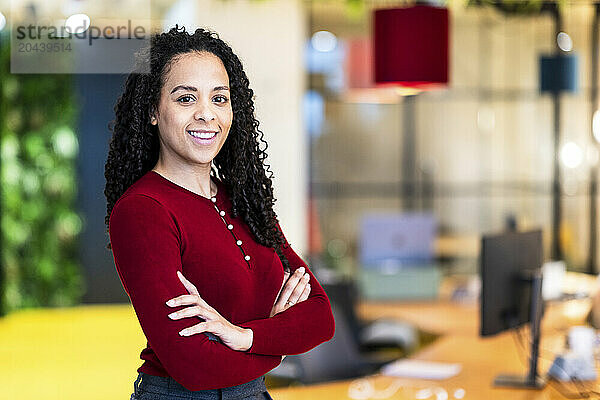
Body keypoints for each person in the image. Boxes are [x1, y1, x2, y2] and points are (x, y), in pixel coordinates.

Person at [104, 25, 336, 399]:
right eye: (185, 99)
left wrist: (244, 336)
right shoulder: (143, 211)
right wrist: (276, 340)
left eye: (219, 98)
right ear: (152, 110)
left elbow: (321, 317)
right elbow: (194, 366)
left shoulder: (243, 198)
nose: (206, 115)